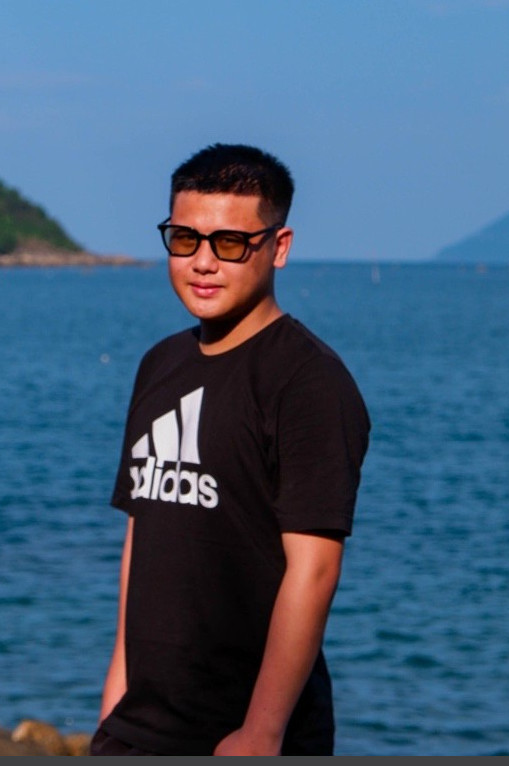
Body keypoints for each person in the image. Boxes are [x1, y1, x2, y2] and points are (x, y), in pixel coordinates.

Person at [90, 143, 370, 756]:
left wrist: (261, 731)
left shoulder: (308, 382)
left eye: (231, 243)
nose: (203, 262)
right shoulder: (160, 364)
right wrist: (116, 695)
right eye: (185, 239)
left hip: (245, 732)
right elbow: (144, 530)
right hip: (138, 727)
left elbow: (315, 569)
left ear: (279, 246)